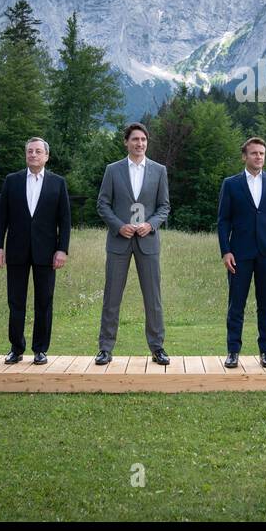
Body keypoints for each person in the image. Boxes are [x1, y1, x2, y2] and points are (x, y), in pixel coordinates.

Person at [95, 122, 171, 366]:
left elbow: (164, 206)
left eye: (143, 140)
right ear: (126, 142)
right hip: (119, 242)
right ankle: (105, 348)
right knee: (112, 297)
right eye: (135, 139)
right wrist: (119, 225)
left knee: (153, 298)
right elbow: (103, 204)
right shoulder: (113, 170)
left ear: (147, 143)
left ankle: (158, 348)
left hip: (148, 241)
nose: (140, 143)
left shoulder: (159, 171)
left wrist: (151, 224)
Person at [0, 137, 71, 365]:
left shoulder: (58, 183)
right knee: (16, 301)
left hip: (47, 253)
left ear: (46, 156)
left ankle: (40, 349)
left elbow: (64, 221)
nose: (33, 154)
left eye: (38, 151)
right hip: (16, 251)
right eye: (30, 151)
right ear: (25, 155)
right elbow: (1, 218)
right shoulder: (12, 181)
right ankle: (16, 349)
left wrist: (62, 250)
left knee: (44, 301)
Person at [217, 137, 266, 369]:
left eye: (262, 153)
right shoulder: (231, 183)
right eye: (254, 153)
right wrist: (225, 251)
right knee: (236, 304)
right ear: (244, 156)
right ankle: (233, 351)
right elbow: (223, 220)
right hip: (239, 253)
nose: (258, 157)